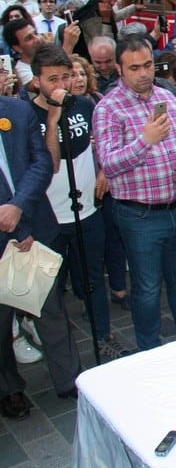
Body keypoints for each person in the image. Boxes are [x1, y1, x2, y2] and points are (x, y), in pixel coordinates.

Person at [93, 34, 176, 351]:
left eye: (148, 65)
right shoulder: (108, 108)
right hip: (139, 215)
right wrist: (144, 140)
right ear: (119, 69)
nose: (143, 73)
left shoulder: (166, 96)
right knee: (148, 287)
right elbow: (109, 165)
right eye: (135, 67)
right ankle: (149, 351)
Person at [30, 44, 129, 362]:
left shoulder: (85, 106)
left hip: (87, 211)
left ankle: (103, 337)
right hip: (49, 220)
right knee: (52, 290)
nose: (61, 84)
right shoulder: (28, 115)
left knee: (92, 281)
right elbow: (51, 165)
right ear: (36, 81)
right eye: (52, 79)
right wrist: (54, 116)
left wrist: (103, 170)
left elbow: (102, 145)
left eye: (65, 76)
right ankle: (61, 354)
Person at [0, 92, 83, 419]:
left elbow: (40, 164)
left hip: (31, 224)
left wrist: (19, 209)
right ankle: (9, 389)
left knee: (51, 312)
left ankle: (70, 379)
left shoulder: (17, 111)